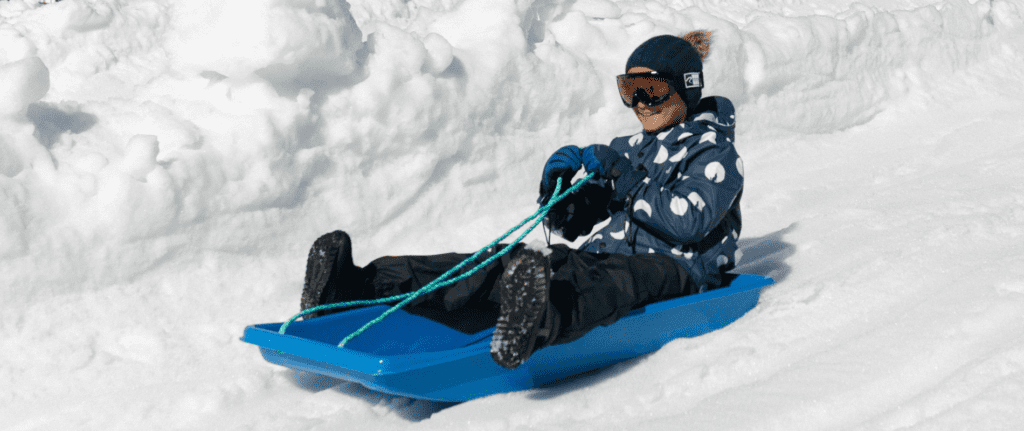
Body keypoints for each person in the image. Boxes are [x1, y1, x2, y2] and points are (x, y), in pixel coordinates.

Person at [300, 30, 744, 370]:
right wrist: (558, 194)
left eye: (654, 89)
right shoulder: (628, 147)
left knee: (597, 280)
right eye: (631, 90)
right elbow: (575, 225)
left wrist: (627, 183)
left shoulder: (714, 150)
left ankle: (535, 322)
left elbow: (691, 221)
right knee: (501, 262)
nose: (642, 103)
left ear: (685, 88)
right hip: (601, 257)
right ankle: (356, 287)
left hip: (676, 268)